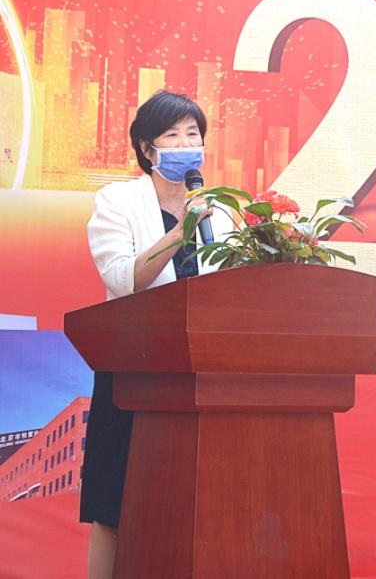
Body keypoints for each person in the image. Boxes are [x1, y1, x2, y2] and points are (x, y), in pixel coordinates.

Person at [81, 90, 233, 579]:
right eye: (173, 135)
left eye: (194, 134)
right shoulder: (118, 201)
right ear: (148, 149)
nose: (187, 144)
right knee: (115, 504)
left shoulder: (219, 209)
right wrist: (179, 231)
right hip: (134, 370)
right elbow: (122, 279)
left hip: (199, 375)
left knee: (189, 504)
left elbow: (231, 286)